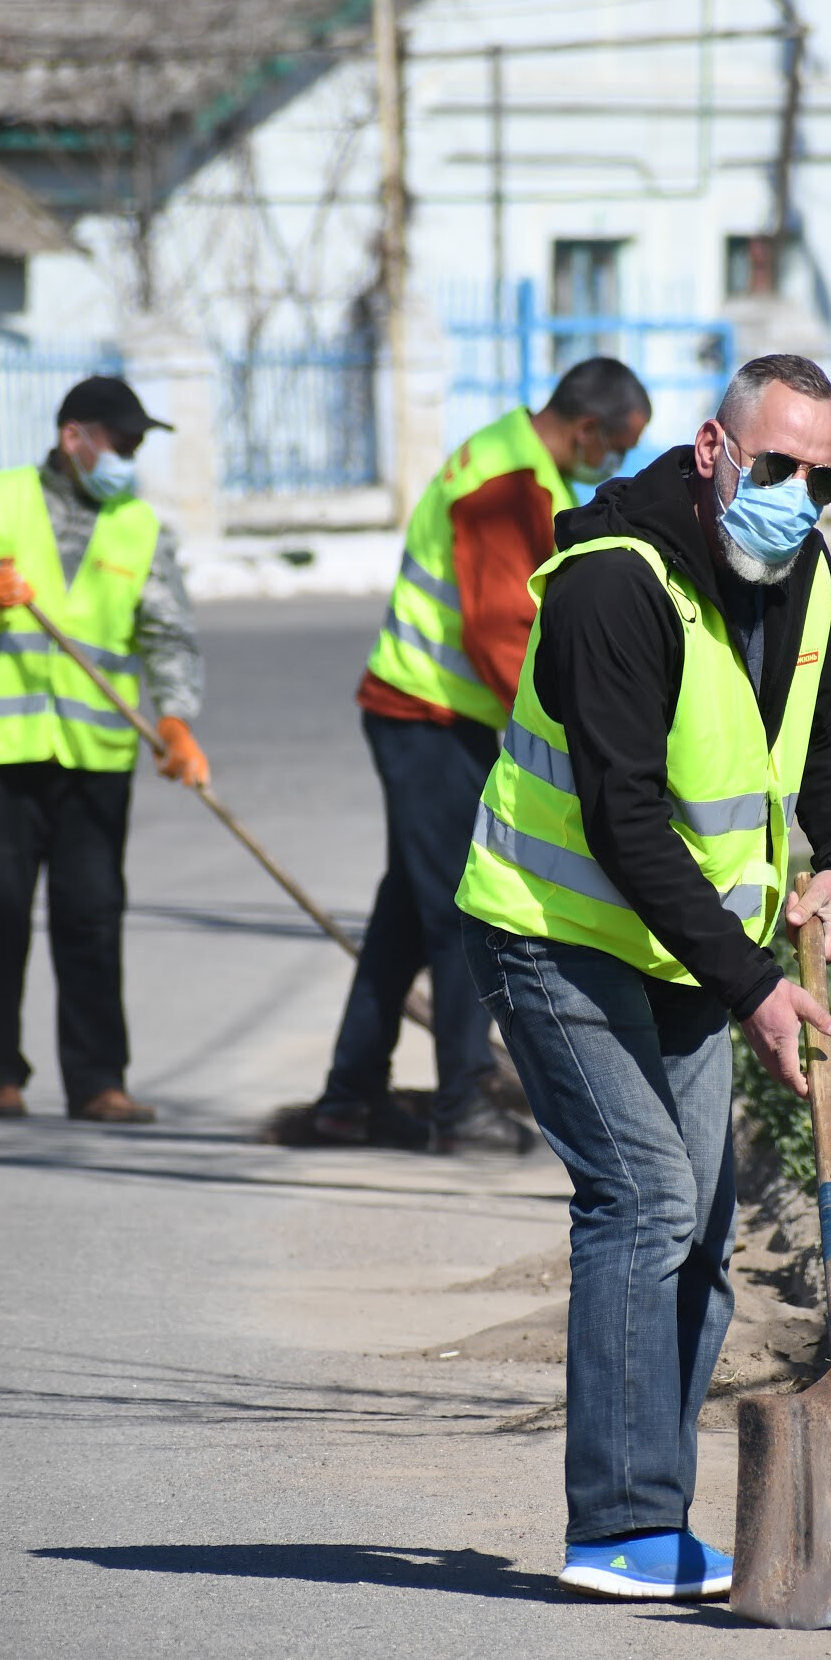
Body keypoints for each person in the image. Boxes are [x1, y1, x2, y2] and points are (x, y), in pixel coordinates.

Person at [457, 354, 831, 1597]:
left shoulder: (804, 575)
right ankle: (620, 1524)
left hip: (687, 951)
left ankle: (663, 1526)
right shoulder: (612, 583)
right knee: (642, 1196)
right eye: (777, 466)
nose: (797, 497)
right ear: (712, 450)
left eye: (822, 478)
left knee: (696, 1226)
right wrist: (755, 986)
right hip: (556, 932)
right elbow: (624, 817)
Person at [301, 358, 652, 1155]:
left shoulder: (517, 462)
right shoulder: (507, 486)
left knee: (406, 912)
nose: (620, 461)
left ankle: (347, 1097)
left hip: (433, 715)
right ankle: (460, 1103)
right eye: (619, 445)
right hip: (426, 713)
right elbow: (501, 635)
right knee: (465, 909)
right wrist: (577, 731)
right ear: (587, 428)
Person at [0, 375, 207, 1124]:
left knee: (92, 916)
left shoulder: (141, 526)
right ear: (75, 436)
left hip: (93, 754)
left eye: (136, 444)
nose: (129, 456)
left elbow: (168, 633)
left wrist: (176, 720)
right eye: (121, 441)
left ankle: (99, 1081)